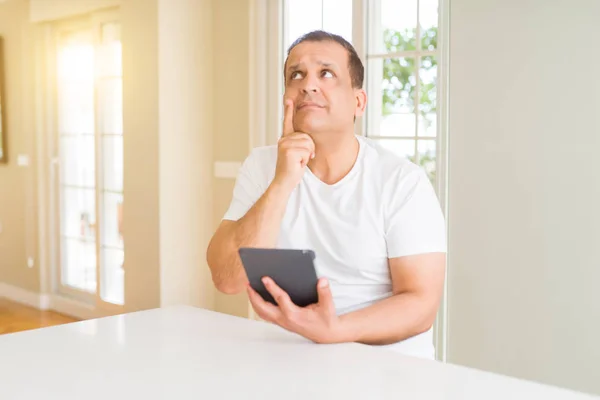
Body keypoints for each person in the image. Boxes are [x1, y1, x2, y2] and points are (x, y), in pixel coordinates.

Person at [206, 30, 446, 360]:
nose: (308, 84)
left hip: (387, 370)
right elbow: (227, 278)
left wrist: (334, 331)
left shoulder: (402, 181)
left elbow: (421, 305)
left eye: (326, 73)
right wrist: (283, 181)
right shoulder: (261, 166)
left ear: (358, 102)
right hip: (287, 363)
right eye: (296, 74)